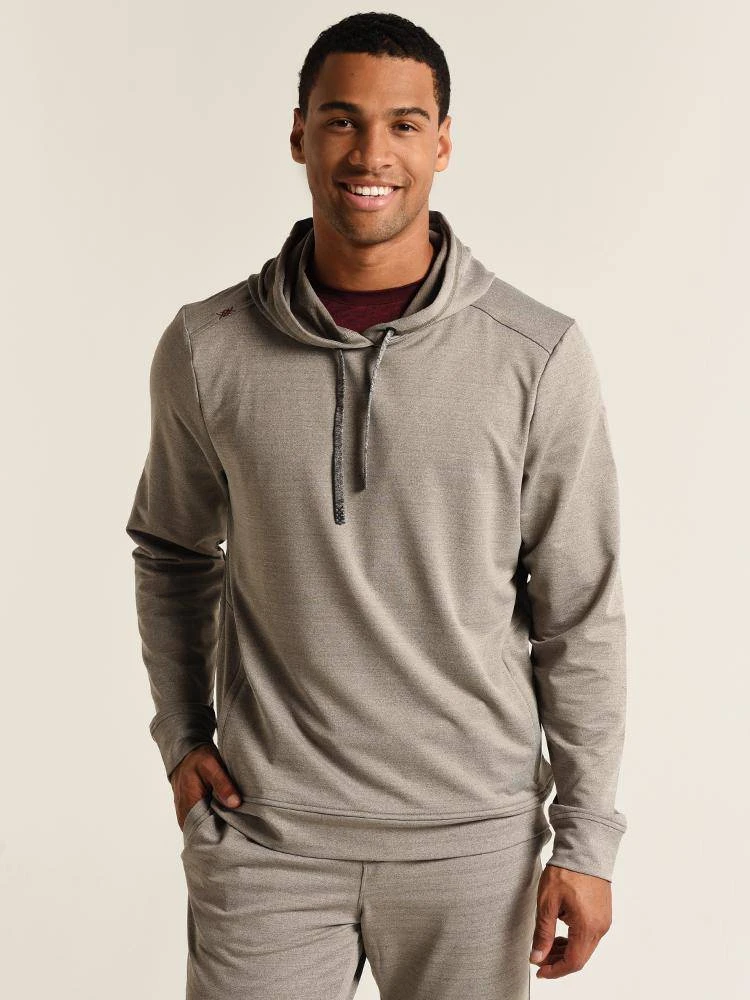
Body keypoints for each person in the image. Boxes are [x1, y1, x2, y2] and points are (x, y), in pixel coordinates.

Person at [125, 12, 627, 999]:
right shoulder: (206, 346)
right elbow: (172, 550)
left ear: (443, 143)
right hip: (266, 837)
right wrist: (182, 733)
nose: (371, 154)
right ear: (299, 134)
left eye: (404, 124)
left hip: (472, 847)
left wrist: (589, 838)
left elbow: (580, 607)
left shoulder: (536, 355)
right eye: (342, 120)